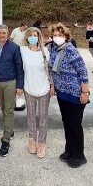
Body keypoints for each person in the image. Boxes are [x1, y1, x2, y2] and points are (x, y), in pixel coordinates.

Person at [49, 23, 90, 168]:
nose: (57, 37)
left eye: (60, 35)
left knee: (75, 125)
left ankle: (79, 155)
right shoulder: (53, 49)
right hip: (62, 94)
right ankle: (69, 151)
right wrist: (53, 85)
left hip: (75, 94)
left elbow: (83, 72)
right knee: (67, 124)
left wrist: (85, 92)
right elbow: (51, 69)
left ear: (66, 37)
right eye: (55, 35)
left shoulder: (71, 50)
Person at [20, 27, 54, 158]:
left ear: (39, 37)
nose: (33, 37)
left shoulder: (45, 51)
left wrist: (52, 85)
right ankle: (32, 140)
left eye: (35, 35)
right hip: (29, 88)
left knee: (43, 118)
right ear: (27, 37)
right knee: (31, 117)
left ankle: (42, 143)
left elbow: (49, 70)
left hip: (44, 89)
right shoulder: (22, 51)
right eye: (30, 35)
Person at [0, 24, 24, 157]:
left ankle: (6, 140)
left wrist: (19, 86)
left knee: (9, 110)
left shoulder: (14, 47)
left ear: (8, 33)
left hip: (10, 82)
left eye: (4, 33)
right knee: (4, 108)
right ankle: (10, 130)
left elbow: (19, 66)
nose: (2, 35)